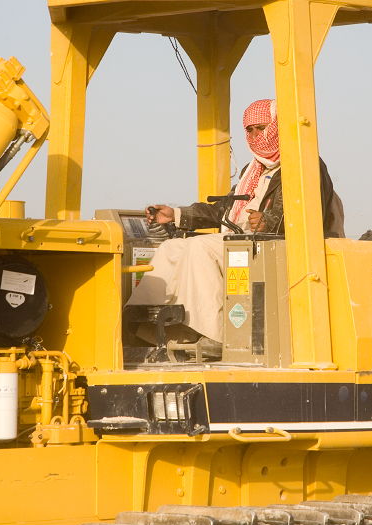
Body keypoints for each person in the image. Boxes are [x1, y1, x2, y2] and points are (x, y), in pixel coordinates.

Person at [125, 98, 343, 346]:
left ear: (278, 127)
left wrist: (269, 221)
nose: (254, 136)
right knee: (171, 248)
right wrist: (175, 214)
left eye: (261, 128)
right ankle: (142, 324)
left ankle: (213, 332)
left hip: (279, 246)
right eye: (249, 130)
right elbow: (223, 210)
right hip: (244, 240)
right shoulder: (253, 170)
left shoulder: (303, 164)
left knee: (200, 248)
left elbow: (305, 208)